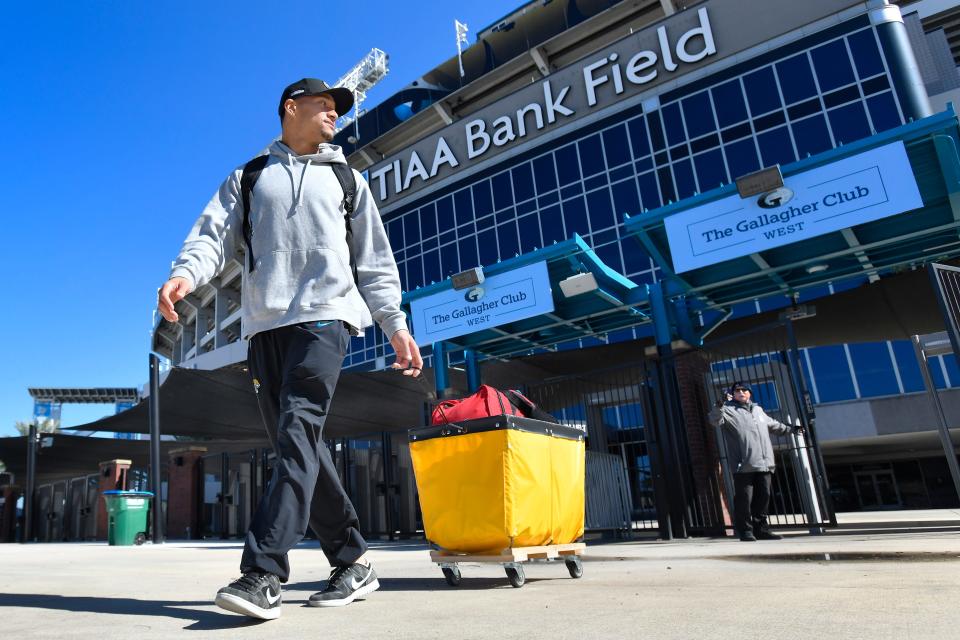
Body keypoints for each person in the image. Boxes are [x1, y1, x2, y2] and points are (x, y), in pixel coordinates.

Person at [157, 78, 423, 620]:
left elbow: (374, 260)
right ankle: (353, 559)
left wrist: (394, 323)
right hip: (264, 327)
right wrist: (185, 274)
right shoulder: (251, 176)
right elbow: (211, 235)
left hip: (327, 319)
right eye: (324, 105)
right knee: (297, 444)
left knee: (298, 428)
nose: (333, 114)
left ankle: (264, 571)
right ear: (290, 108)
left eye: (336, 109)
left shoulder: (348, 179)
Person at [709, 381, 800, 542]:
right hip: (743, 465)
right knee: (744, 499)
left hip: (764, 464)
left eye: (745, 390)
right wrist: (720, 404)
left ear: (750, 393)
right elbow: (714, 419)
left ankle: (761, 530)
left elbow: (774, 425)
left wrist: (792, 429)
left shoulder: (758, 410)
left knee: (763, 498)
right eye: (738, 390)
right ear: (733, 394)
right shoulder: (728, 410)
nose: (741, 392)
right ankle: (745, 531)